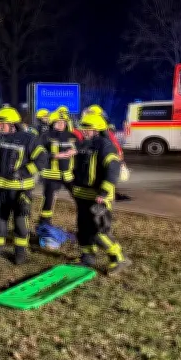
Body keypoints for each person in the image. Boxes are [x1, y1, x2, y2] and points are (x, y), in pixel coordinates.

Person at [0, 106, 47, 264]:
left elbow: (42, 160)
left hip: (21, 190)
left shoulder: (29, 139)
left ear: (12, 124)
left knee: (20, 221)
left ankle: (20, 252)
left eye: (2, 123)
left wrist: (24, 172)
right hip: (0, 189)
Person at [72, 112, 130, 274]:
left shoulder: (105, 146)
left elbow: (112, 170)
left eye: (87, 128)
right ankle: (87, 257)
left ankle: (118, 258)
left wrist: (104, 192)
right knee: (83, 229)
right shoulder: (85, 144)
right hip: (83, 194)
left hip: (98, 196)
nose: (84, 131)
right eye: (83, 128)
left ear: (97, 130)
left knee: (98, 232)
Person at [37, 111, 77, 226]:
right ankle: (45, 223)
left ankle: (84, 221)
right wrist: (54, 155)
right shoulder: (45, 136)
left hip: (68, 175)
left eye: (63, 122)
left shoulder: (72, 136)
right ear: (52, 123)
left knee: (78, 197)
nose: (61, 124)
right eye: (58, 122)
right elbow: (39, 154)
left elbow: (81, 148)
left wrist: (75, 151)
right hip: (51, 175)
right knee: (48, 201)